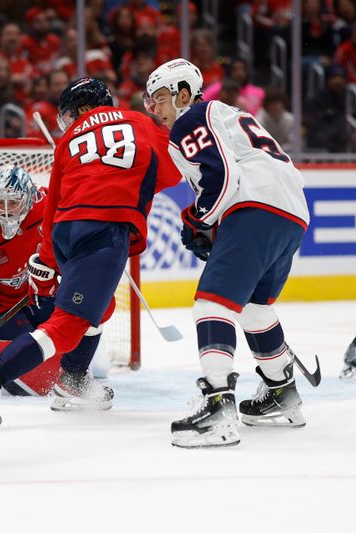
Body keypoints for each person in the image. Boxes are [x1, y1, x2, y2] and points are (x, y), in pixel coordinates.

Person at [0, 77, 181, 429]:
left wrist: (46, 260)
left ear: (84, 109)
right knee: (69, 324)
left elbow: (53, 205)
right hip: (106, 227)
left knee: (99, 307)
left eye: (70, 114)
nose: (69, 122)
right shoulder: (139, 122)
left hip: (69, 229)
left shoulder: (68, 140)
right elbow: (173, 171)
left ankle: (72, 382)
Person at [144, 58, 310, 448]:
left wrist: (199, 220)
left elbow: (223, 178)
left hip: (255, 205)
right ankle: (282, 394)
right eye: (151, 103)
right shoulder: (226, 114)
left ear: (184, 94)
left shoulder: (190, 119)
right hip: (291, 211)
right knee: (254, 308)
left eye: (162, 99)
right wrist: (210, 222)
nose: (157, 110)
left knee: (211, 306)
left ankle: (218, 406)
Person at [0, 166, 109, 405]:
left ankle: (74, 379)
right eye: (0, 203)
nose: (6, 211)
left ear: (28, 200)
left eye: (14, 203)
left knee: (80, 315)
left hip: (33, 296)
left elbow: (79, 203)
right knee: (29, 372)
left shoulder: (47, 204)